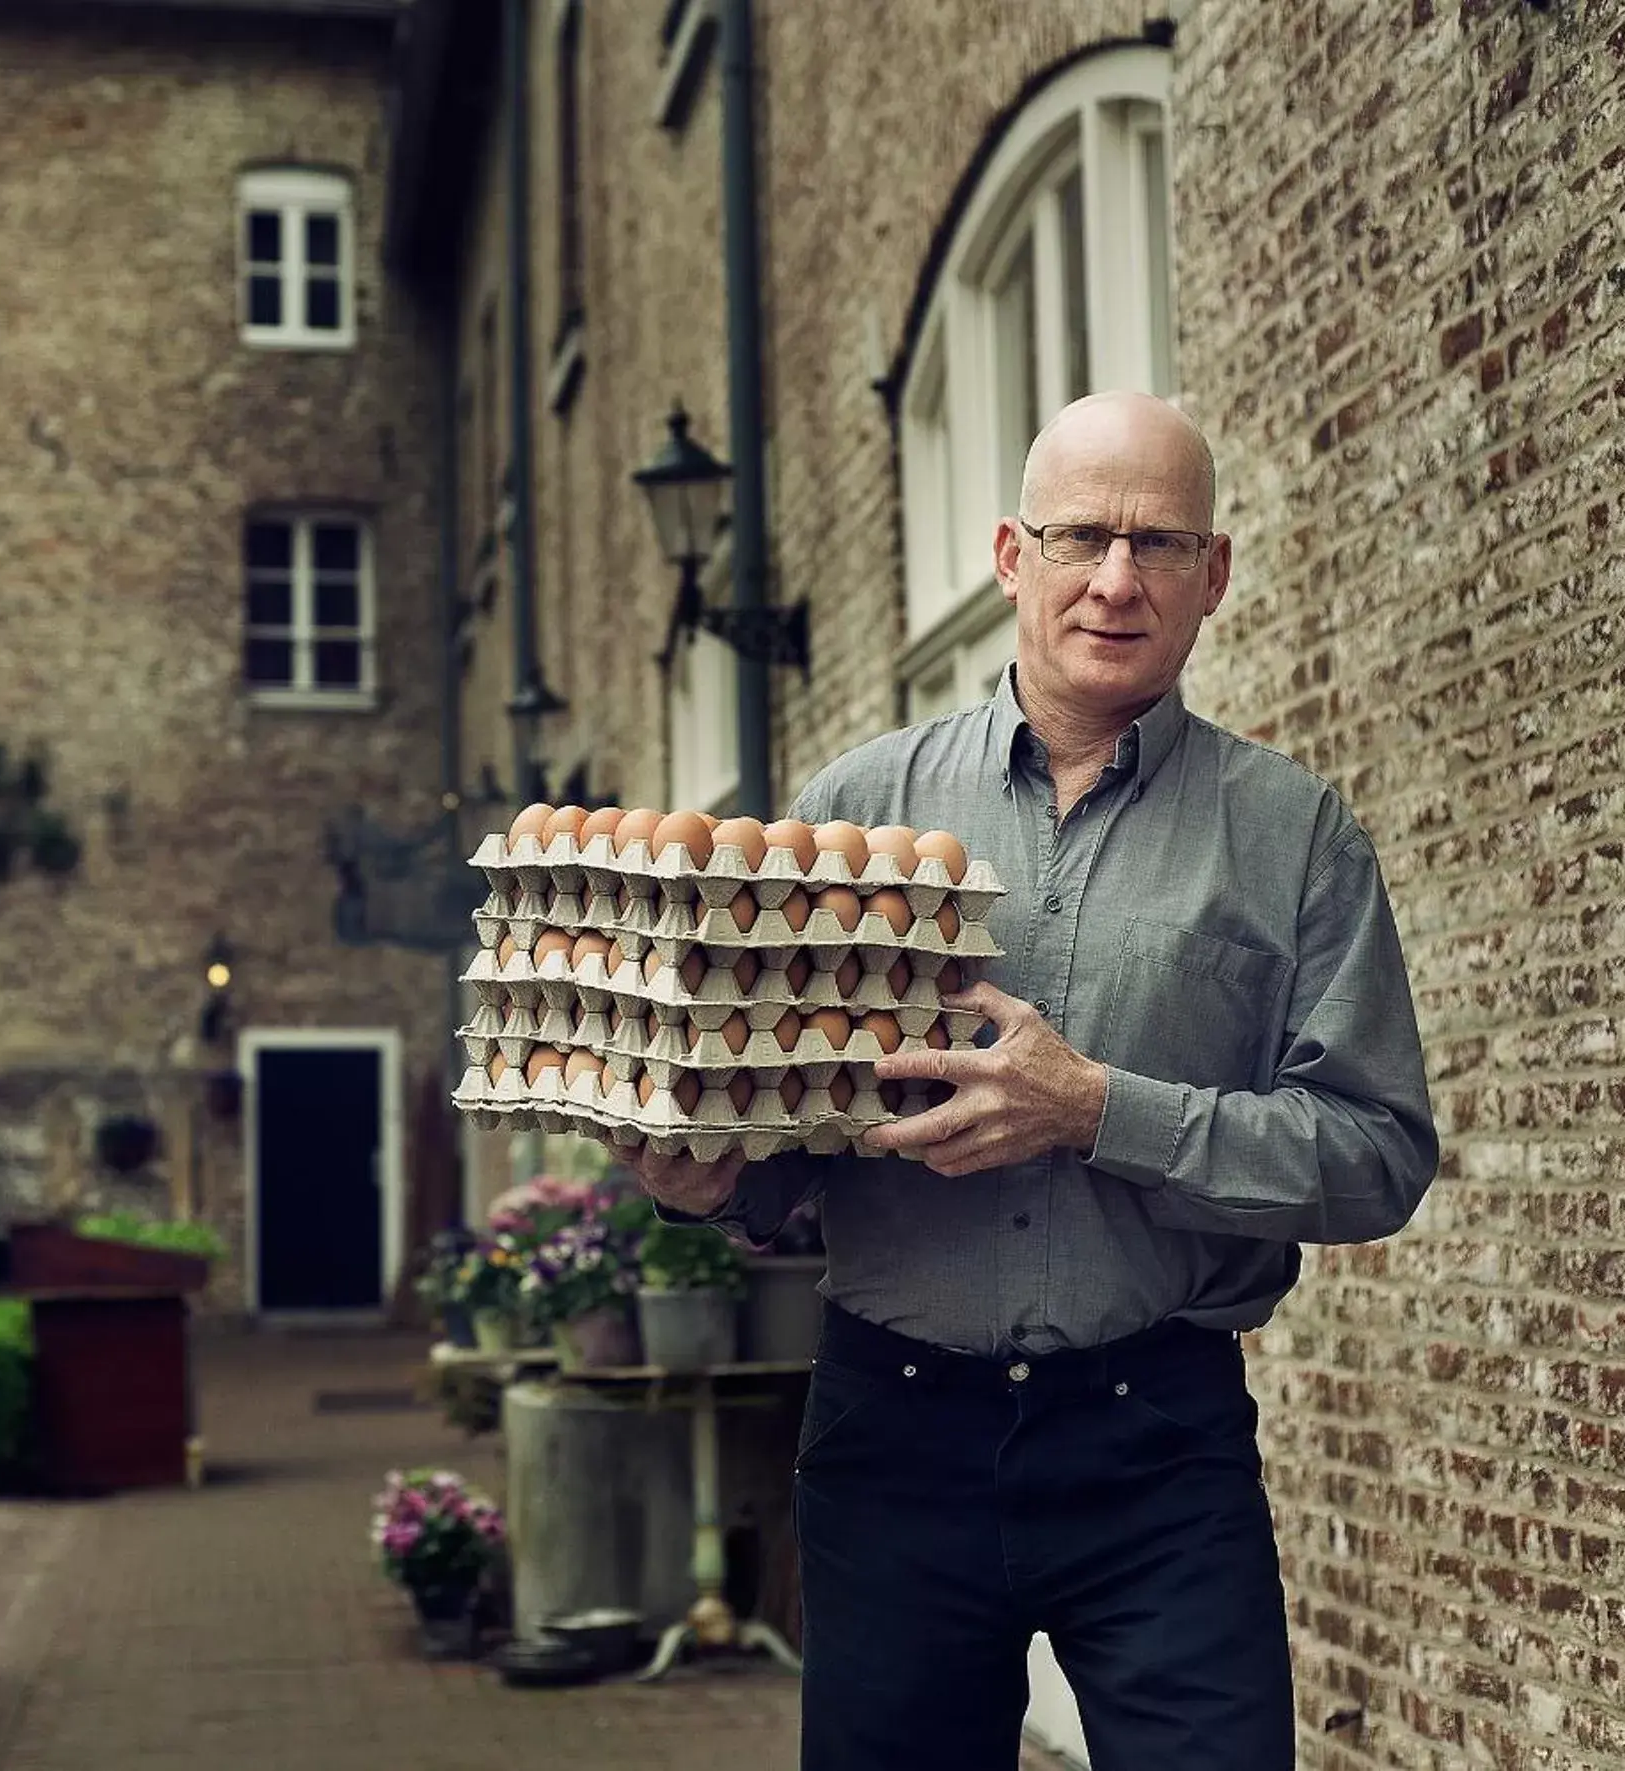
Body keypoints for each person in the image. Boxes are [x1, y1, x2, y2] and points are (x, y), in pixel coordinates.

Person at [613, 391, 1438, 1770]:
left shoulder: (1291, 835)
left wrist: (1100, 1109)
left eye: (1158, 544)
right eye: (1081, 537)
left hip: (1157, 1442)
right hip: (892, 1435)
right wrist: (703, 1178)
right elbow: (775, 1141)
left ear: (1212, 574)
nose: (1116, 579)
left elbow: (1374, 1156)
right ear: (1011, 556)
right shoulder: (850, 817)